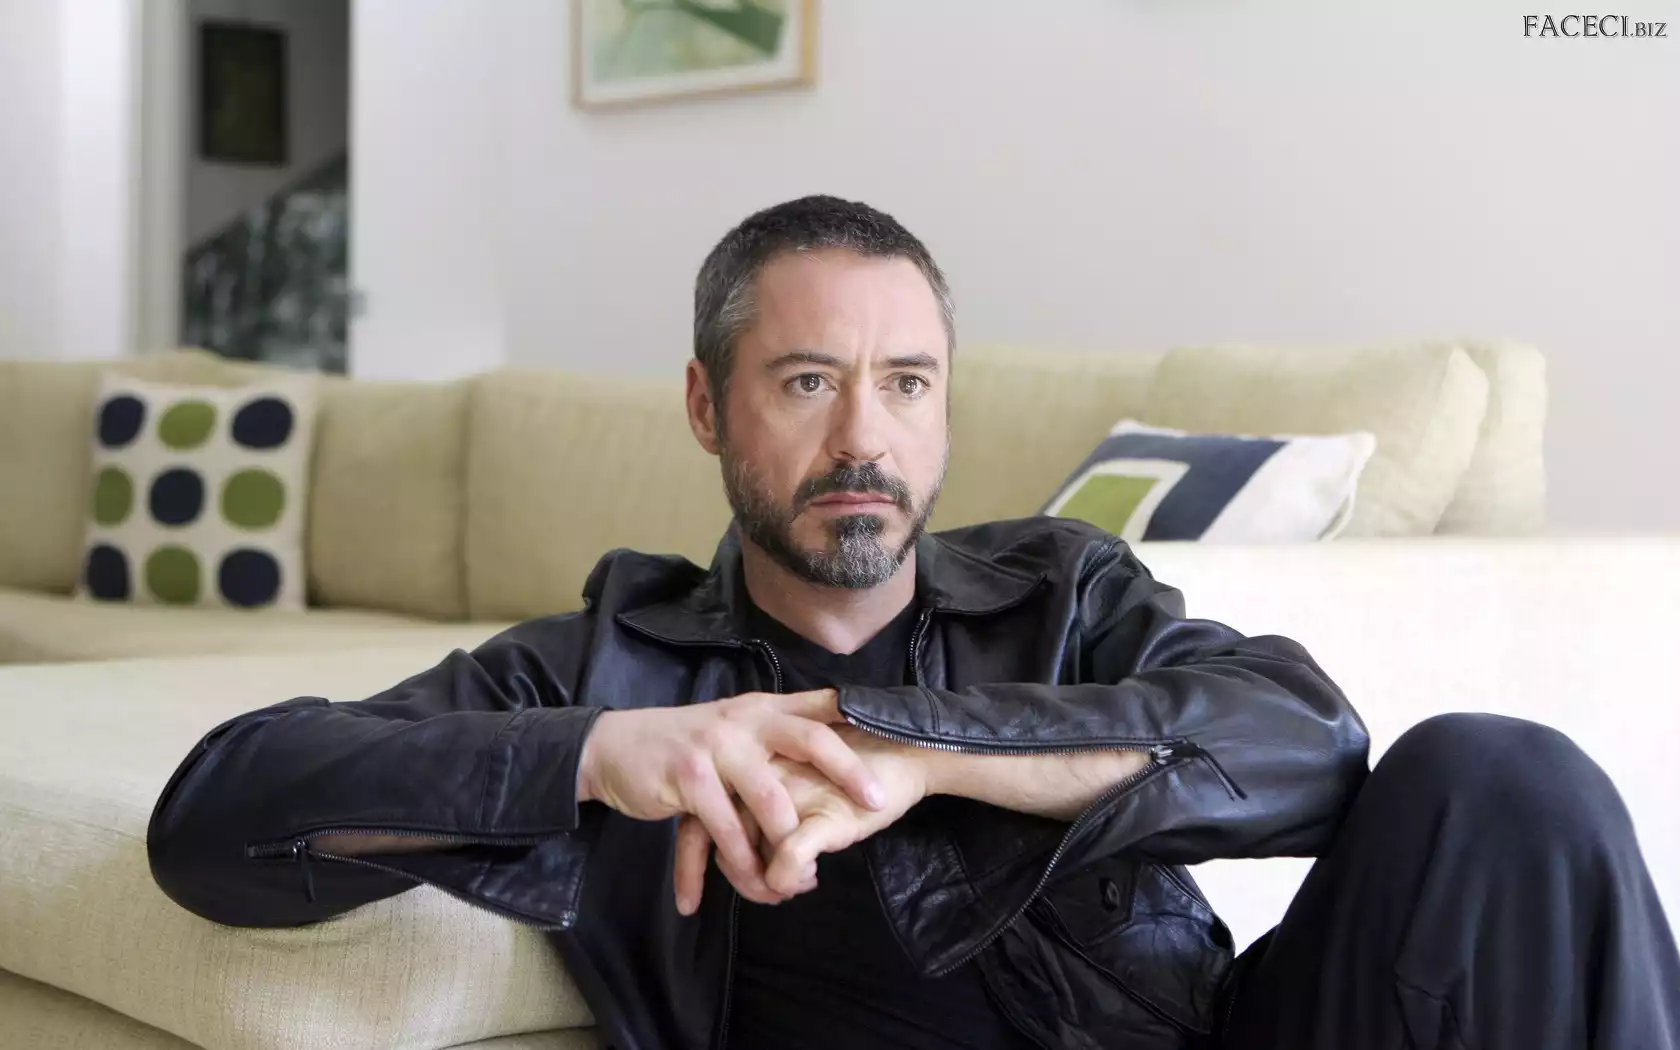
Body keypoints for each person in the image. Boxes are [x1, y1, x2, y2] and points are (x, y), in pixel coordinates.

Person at [148, 196, 1679, 1050]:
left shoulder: (1064, 591)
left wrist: (921, 751)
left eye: (906, 383)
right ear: (708, 406)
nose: (862, 436)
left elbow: (1308, 746)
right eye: (808, 381)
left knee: (1505, 776)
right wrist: (605, 753)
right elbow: (218, 812)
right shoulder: (613, 661)